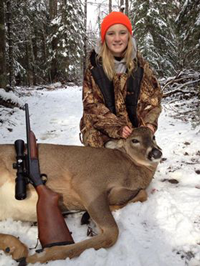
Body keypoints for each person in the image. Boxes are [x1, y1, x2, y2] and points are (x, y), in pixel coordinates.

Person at [80, 11, 162, 147]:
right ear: (104, 38)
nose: (117, 39)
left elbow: (152, 100)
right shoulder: (94, 69)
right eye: (111, 33)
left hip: (133, 128)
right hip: (102, 130)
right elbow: (93, 107)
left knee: (147, 155)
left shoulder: (141, 66)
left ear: (129, 36)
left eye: (122, 33)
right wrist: (118, 128)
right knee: (106, 154)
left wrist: (149, 124)